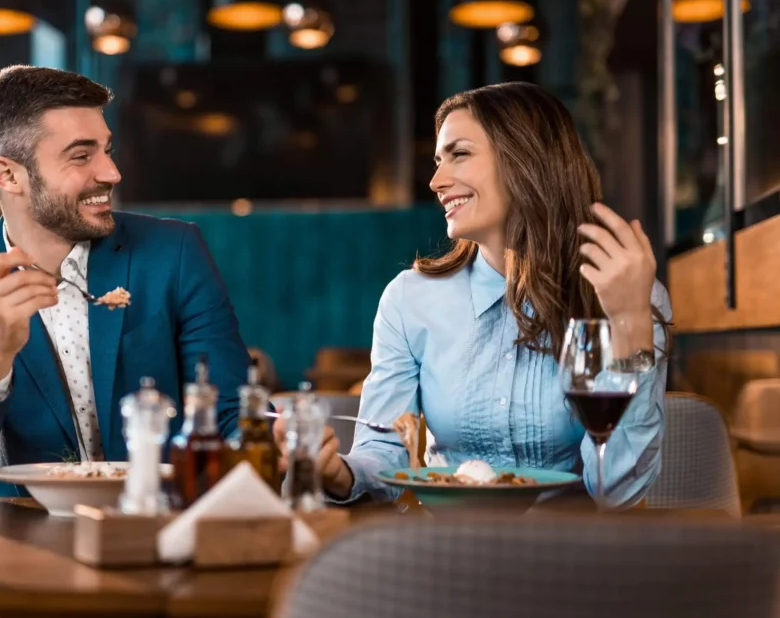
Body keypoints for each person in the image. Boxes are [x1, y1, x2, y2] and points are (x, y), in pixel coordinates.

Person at [275, 82, 671, 509]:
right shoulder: (410, 300)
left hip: (569, 557)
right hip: (448, 550)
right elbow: (385, 451)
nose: (436, 181)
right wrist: (338, 474)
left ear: (526, 159)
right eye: (437, 161)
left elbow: (619, 492)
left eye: (459, 154)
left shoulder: (623, 291)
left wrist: (631, 324)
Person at [0, 66, 250, 499]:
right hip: (28, 549)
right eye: (81, 155)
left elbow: (232, 411)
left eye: (107, 150)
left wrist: (272, 440)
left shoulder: (175, 253)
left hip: (164, 528)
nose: (111, 173)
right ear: (8, 175)